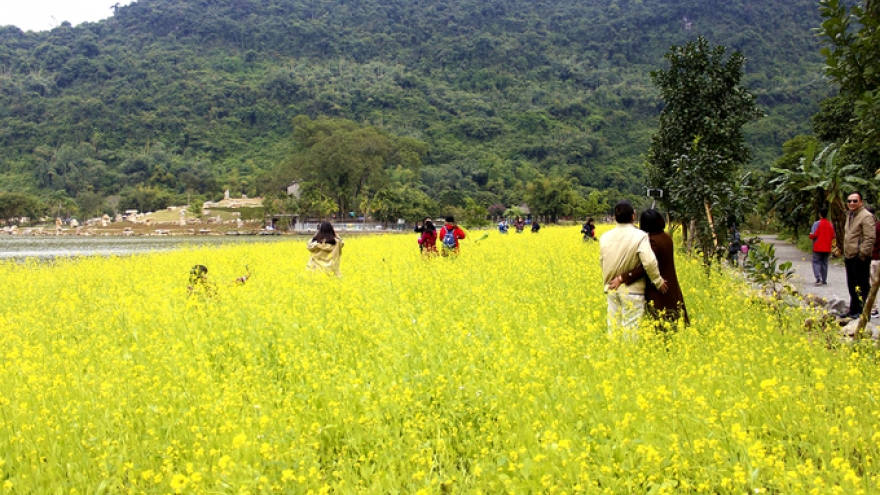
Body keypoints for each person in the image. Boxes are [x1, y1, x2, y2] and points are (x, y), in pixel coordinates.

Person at [599, 201, 667, 335]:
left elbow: (602, 261)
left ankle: (614, 349)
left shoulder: (604, 237)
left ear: (615, 217)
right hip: (632, 290)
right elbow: (649, 262)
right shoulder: (640, 236)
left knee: (614, 329)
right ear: (633, 216)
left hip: (612, 288)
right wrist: (658, 281)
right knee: (631, 332)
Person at [611, 209, 688, 326]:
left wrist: (623, 277)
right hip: (671, 287)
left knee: (662, 324)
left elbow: (646, 266)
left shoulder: (652, 241)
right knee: (674, 322)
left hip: (659, 289)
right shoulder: (666, 236)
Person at [842, 191, 875, 318]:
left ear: (861, 202)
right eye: (849, 201)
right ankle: (853, 309)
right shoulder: (850, 215)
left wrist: (862, 254)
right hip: (849, 255)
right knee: (852, 285)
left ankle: (862, 312)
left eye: (855, 201)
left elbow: (870, 237)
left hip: (859, 257)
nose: (852, 203)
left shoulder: (866, 216)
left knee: (861, 285)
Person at [809, 207, 835, 286]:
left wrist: (811, 236)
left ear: (820, 214)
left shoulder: (816, 224)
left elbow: (813, 235)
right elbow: (833, 236)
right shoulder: (830, 224)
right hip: (827, 247)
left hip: (818, 246)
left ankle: (818, 279)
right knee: (824, 263)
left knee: (816, 262)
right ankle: (824, 279)